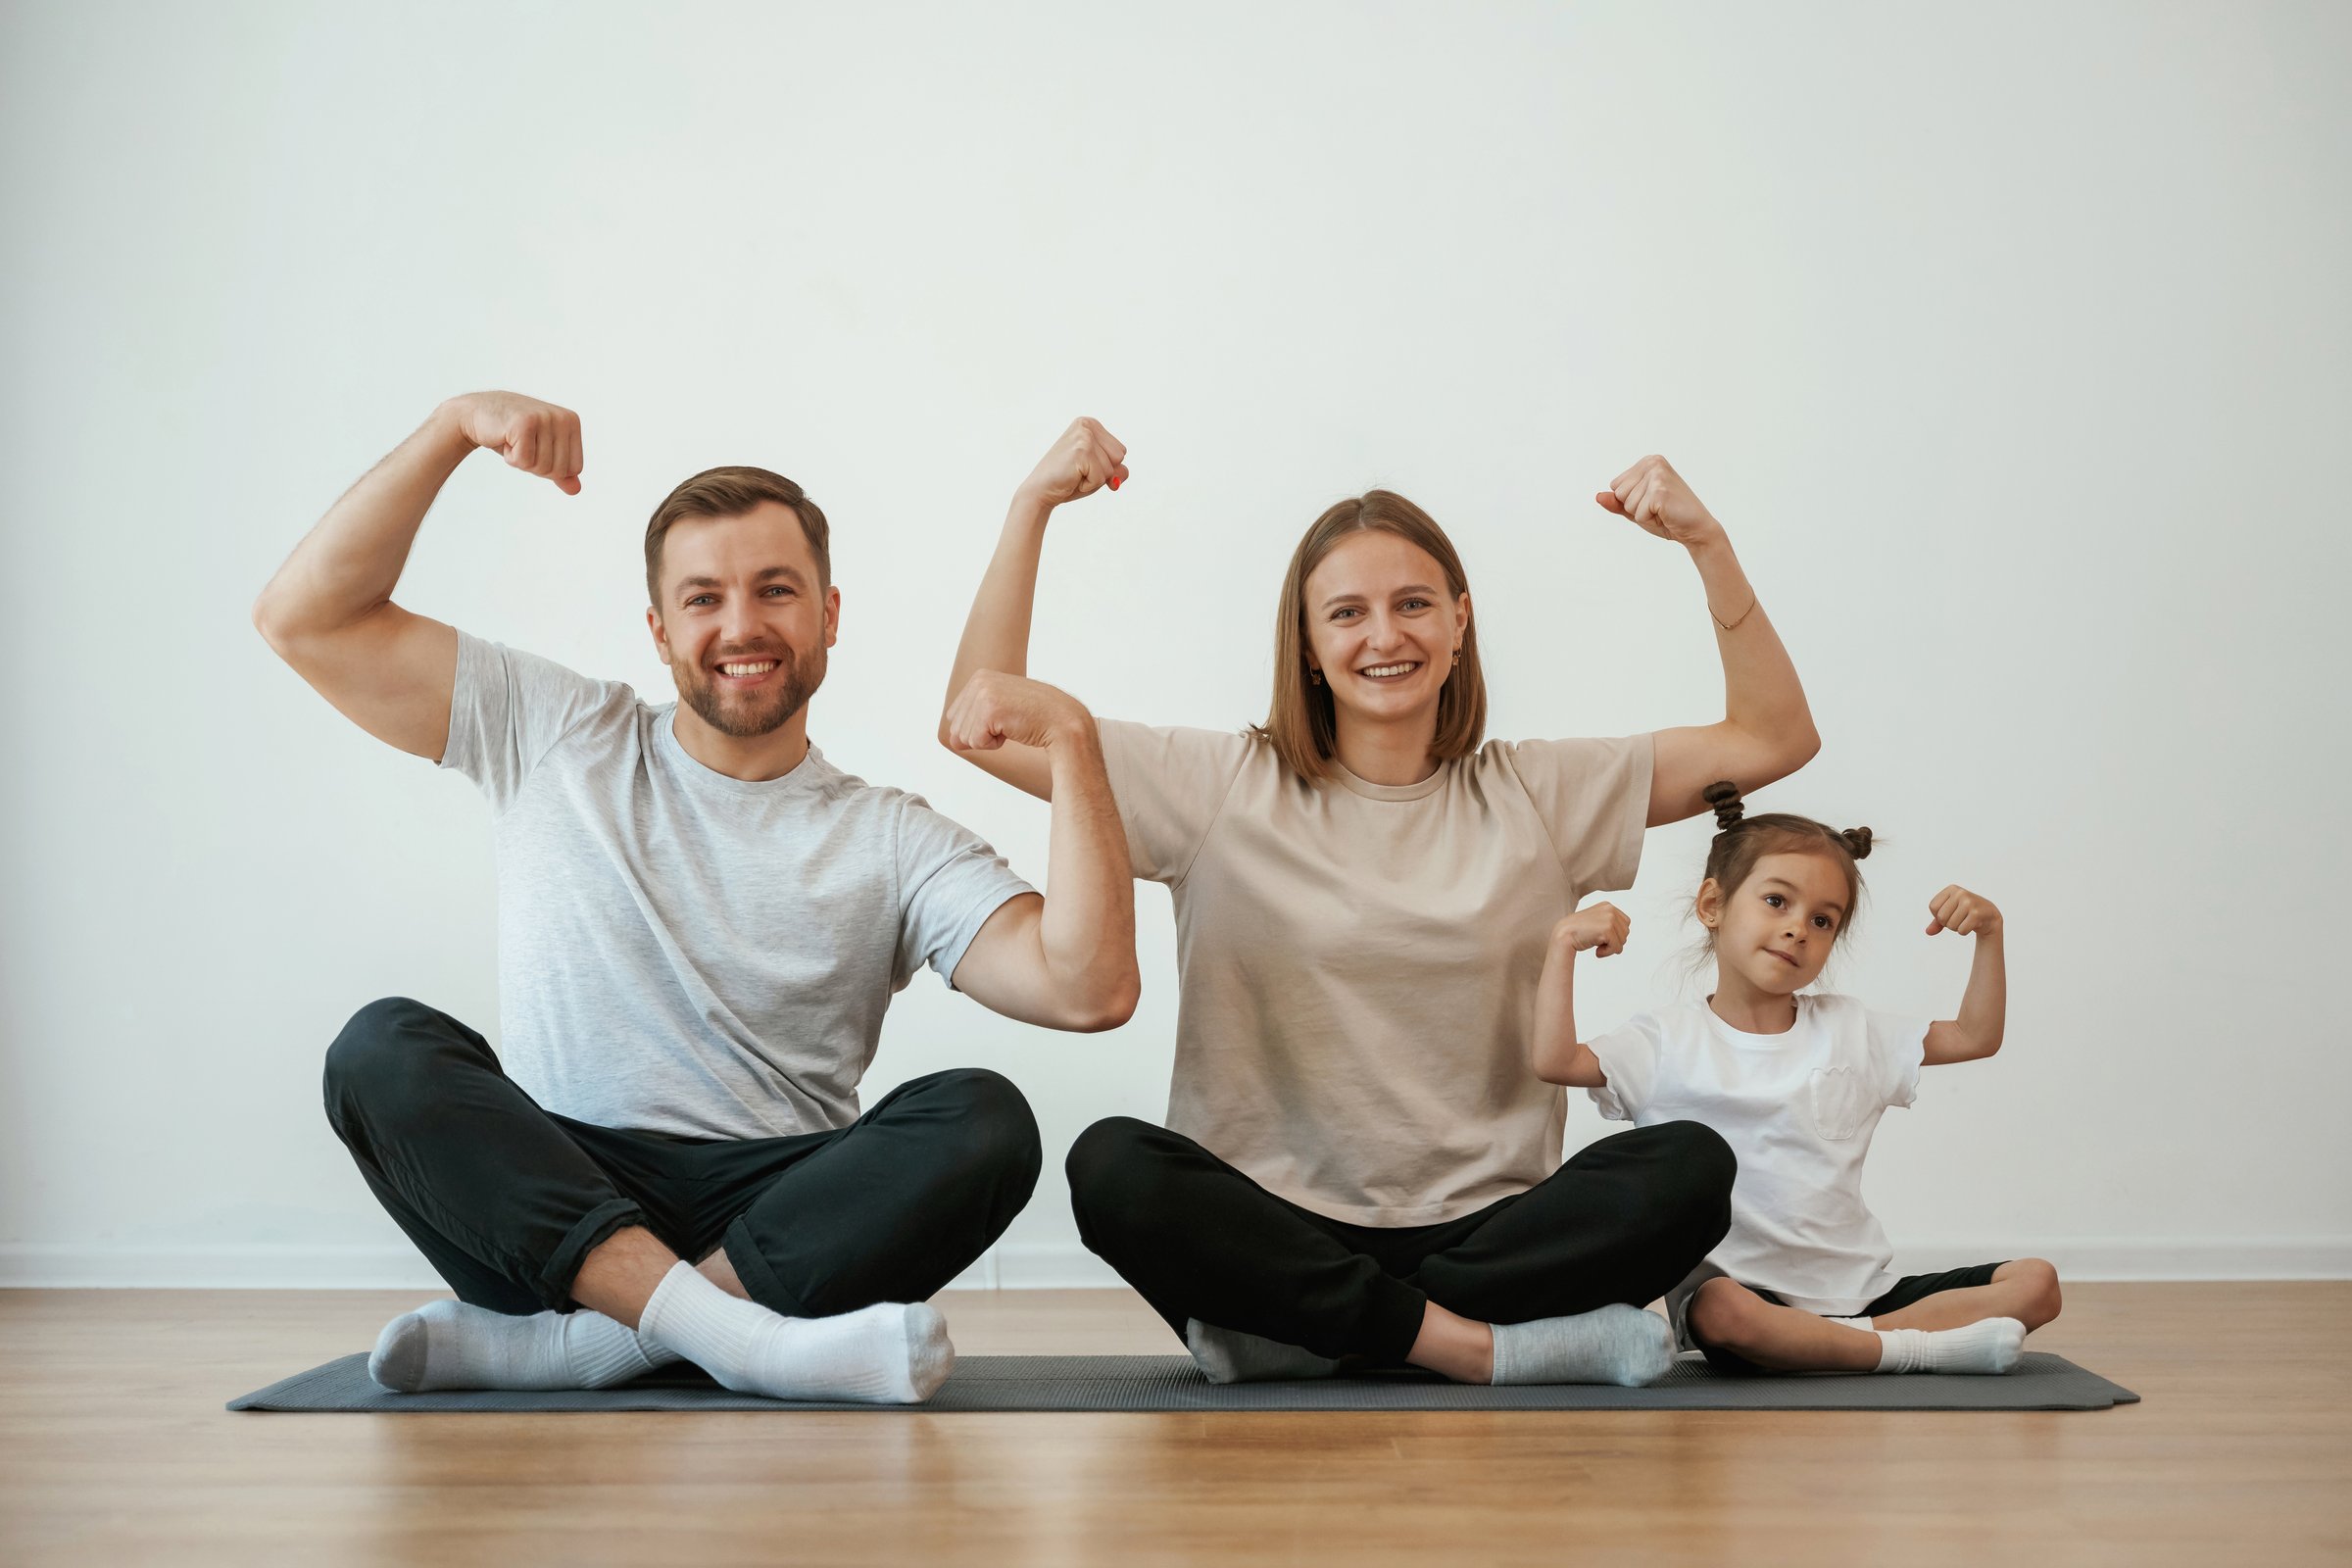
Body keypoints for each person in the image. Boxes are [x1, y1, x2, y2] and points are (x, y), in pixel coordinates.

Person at [253, 391, 1139, 1403]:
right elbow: (305, 618)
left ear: (829, 614)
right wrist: (453, 427)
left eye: (775, 591)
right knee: (380, 1050)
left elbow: (1090, 987)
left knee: (987, 1118)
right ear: (660, 629)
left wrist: (1073, 743)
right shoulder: (555, 732)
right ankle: (738, 1341)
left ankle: (591, 1349)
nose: (742, 625)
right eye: (705, 598)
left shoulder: (891, 835)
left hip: (779, 1222)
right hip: (558, 1211)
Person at [941, 419, 1820, 1385]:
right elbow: (979, 724)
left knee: (1690, 1166)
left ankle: (1301, 1331)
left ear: (1459, 620)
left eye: (1412, 605)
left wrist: (1709, 544)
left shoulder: (1540, 793)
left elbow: (1772, 737)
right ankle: (1471, 1348)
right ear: (1310, 646)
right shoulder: (1215, 784)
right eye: (1347, 614)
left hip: (1491, 1223)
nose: (1385, 635)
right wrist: (1030, 509)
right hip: (1271, 1215)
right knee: (1112, 1167)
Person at [1533, 781, 2062, 1375]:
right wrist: (1562, 945)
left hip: (1863, 1293)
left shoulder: (1850, 1029)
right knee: (1721, 1314)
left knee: (2038, 1283)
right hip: (1745, 1298)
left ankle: (1848, 1345)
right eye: (1777, 902)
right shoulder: (1663, 1041)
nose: (1798, 929)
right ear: (1713, 905)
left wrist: (1990, 935)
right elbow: (1555, 1062)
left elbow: (1974, 1036)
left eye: (1823, 920)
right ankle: (1920, 1349)